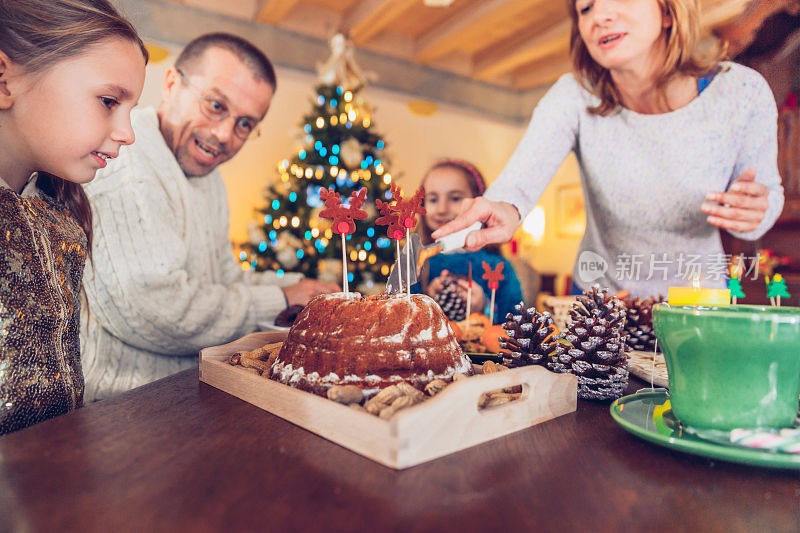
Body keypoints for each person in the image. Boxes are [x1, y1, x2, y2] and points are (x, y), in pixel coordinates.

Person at [433, 0, 783, 299]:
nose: (598, 15)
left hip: (697, 304)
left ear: (666, 11)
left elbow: (766, 197)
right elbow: (517, 184)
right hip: (599, 305)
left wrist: (755, 213)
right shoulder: (573, 95)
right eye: (585, 8)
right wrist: (503, 206)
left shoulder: (741, 91)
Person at [81, 33, 338, 402]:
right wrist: (280, 298)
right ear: (171, 84)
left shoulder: (207, 177)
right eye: (215, 106)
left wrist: (303, 288)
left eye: (245, 124)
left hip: (188, 391)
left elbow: (224, 278)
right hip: (118, 406)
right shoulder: (129, 165)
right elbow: (156, 310)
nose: (224, 135)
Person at [0, 0, 147, 434]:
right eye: (108, 101)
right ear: (5, 81)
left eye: (130, 110)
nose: (128, 133)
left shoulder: (63, 211)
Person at [415, 159, 523, 321]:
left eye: (455, 198)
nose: (442, 209)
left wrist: (484, 307)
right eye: (433, 199)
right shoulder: (415, 263)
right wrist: (427, 300)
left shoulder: (499, 267)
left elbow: (517, 321)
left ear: (479, 203)